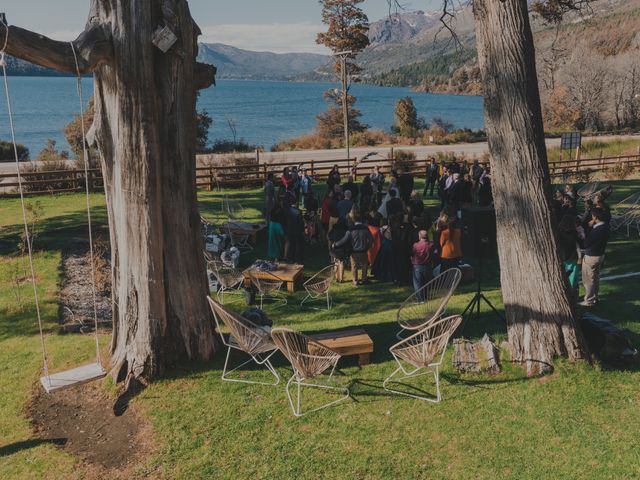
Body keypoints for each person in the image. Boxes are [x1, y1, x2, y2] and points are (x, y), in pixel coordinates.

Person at [333, 208, 373, 286]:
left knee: (354, 266)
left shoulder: (350, 230)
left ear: (353, 219)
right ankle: (364, 279)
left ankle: (355, 280)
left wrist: (335, 244)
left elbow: (344, 240)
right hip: (363, 250)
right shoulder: (365, 228)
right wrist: (367, 247)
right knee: (365, 265)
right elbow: (371, 239)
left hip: (354, 251)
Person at [580, 208, 610, 307]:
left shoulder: (597, 230)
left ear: (595, 217)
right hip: (600, 255)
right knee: (595, 278)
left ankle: (589, 300)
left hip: (591, 256)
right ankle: (595, 297)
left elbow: (586, 243)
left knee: (588, 279)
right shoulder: (605, 226)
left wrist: (587, 229)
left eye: (592, 216)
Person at [557, 215, 581, 299]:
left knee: (563, 277)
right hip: (572, 258)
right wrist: (580, 257)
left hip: (562, 258)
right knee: (573, 279)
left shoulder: (558, 233)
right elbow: (577, 245)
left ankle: (565, 294)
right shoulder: (574, 233)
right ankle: (573, 295)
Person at [411, 230, 433, 302]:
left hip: (417, 265)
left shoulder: (415, 245)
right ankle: (425, 297)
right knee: (426, 282)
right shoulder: (430, 245)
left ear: (419, 236)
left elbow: (413, 253)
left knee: (418, 283)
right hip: (428, 265)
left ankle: (420, 299)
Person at [282, 194, 305, 264]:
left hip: (288, 229)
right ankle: (297, 260)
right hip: (297, 230)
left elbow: (284, 220)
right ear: (296, 202)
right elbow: (301, 223)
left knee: (288, 244)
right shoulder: (298, 211)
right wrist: (302, 230)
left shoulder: (286, 210)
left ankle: (288, 258)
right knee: (297, 246)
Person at [328, 217, 350, 283]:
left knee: (336, 262)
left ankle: (337, 278)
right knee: (341, 262)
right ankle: (341, 279)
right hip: (342, 249)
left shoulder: (333, 230)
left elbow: (329, 236)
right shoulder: (346, 230)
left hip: (334, 249)